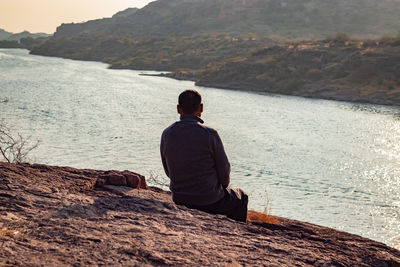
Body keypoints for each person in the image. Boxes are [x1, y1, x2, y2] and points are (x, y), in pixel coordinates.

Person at [160, 90, 248, 222]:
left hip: (180, 198)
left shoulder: (167, 133)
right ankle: (235, 233)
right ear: (201, 108)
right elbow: (224, 174)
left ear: (178, 109)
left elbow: (168, 171)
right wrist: (220, 187)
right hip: (210, 200)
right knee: (242, 196)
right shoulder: (210, 134)